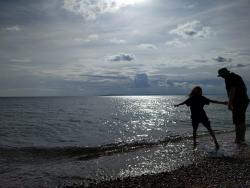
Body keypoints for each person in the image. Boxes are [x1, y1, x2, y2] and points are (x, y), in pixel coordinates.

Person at [218, 67, 249, 144]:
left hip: (238, 102)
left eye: (221, 75)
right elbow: (245, 88)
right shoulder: (236, 76)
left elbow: (232, 89)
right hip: (244, 100)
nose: (221, 77)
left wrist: (230, 102)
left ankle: (238, 139)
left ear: (224, 74)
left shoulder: (229, 78)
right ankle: (242, 138)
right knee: (241, 120)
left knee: (237, 121)